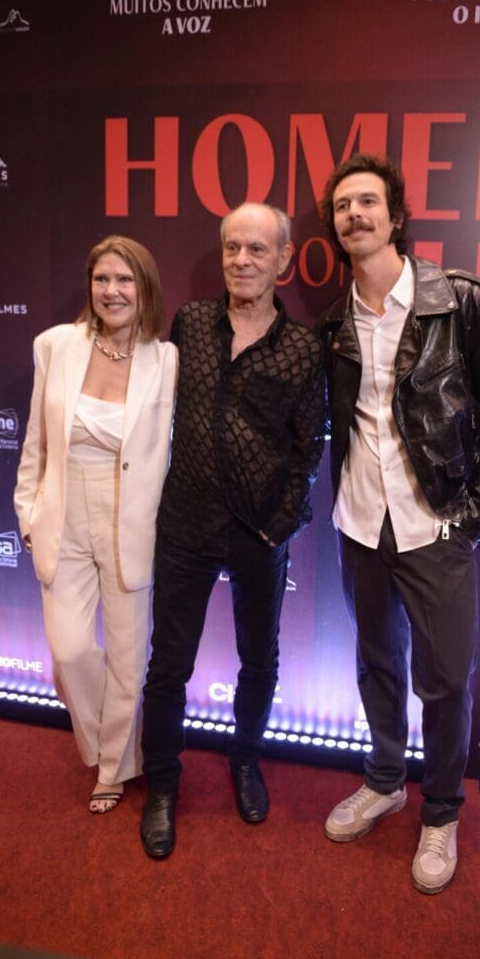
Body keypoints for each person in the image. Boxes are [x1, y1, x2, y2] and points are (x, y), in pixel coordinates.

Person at [316, 154, 480, 893]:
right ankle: (383, 780)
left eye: (367, 202)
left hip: (435, 527)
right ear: (334, 227)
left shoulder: (459, 299)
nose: (354, 215)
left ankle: (440, 811)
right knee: (376, 662)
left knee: (441, 682)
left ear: (395, 216)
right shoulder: (333, 325)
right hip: (358, 527)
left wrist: (470, 517)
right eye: (342, 207)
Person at [140, 202, 325, 859]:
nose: (241, 260)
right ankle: (162, 784)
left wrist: (280, 527)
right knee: (167, 667)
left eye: (255, 249)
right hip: (184, 523)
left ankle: (245, 761)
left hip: (258, 535)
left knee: (259, 660)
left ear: (282, 261)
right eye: (230, 248)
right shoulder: (189, 324)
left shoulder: (304, 349)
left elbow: (309, 449)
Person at [14, 236, 178, 814]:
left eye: (125, 280)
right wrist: (28, 513)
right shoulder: (57, 346)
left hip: (131, 523)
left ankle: (113, 767)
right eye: (102, 279)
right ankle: (108, 745)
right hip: (64, 518)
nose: (112, 291)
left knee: (129, 662)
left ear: (146, 288)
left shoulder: (168, 360)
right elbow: (35, 440)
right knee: (71, 649)